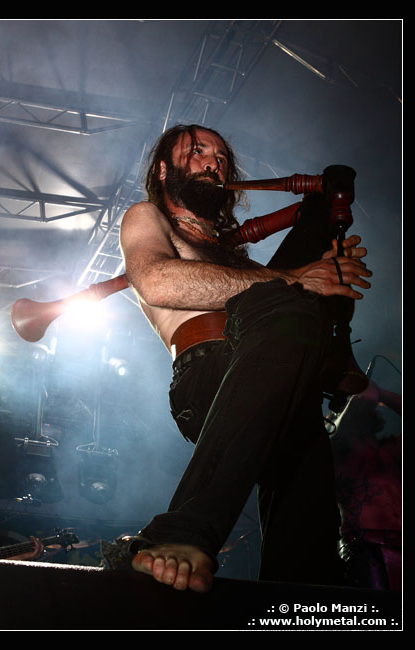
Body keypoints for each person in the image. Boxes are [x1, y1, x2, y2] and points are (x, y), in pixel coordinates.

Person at [109, 124, 372, 593]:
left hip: (286, 381)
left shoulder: (241, 260)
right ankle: (182, 531)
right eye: (197, 151)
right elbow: (157, 282)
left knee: (310, 551)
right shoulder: (148, 218)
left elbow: (289, 288)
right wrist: (298, 279)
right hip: (211, 373)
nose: (214, 162)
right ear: (163, 170)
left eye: (222, 157)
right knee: (287, 302)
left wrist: (325, 270)